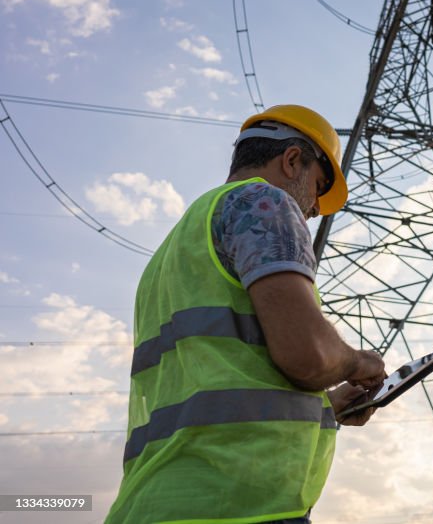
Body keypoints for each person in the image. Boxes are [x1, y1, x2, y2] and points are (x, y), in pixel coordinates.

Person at [106, 104, 387, 524]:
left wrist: (326, 407)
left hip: (159, 502)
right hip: (237, 503)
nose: (314, 210)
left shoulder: (176, 247)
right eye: (318, 185)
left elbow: (219, 381)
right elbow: (307, 355)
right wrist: (358, 361)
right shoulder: (264, 202)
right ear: (292, 160)